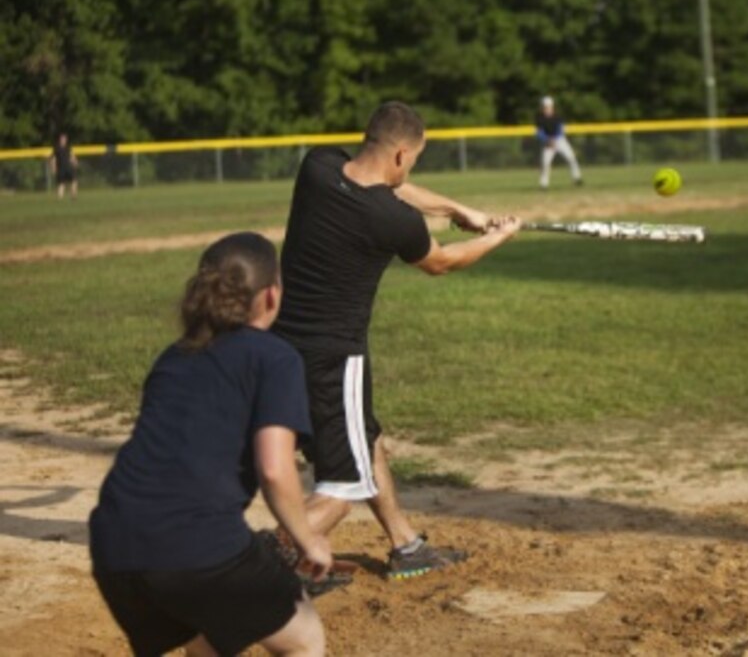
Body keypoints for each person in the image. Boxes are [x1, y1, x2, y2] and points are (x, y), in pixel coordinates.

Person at [272, 101, 521, 581]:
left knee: (366, 439)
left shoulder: (317, 167)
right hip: (334, 359)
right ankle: (267, 557)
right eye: (415, 159)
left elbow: (392, 188)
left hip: (283, 346)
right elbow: (441, 261)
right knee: (344, 486)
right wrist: (499, 236)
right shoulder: (392, 220)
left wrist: (456, 209)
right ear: (403, 155)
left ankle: (405, 545)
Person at [89, 232, 330, 656]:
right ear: (272, 296)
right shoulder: (274, 357)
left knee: (206, 641)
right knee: (304, 638)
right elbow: (275, 468)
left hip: (114, 541)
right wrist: (308, 538)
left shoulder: (175, 355)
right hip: (196, 544)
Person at [535, 95, 583, 189]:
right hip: (548, 143)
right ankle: (543, 184)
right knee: (545, 163)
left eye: (548, 107)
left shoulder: (557, 116)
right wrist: (547, 140)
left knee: (571, 158)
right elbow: (539, 133)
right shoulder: (539, 118)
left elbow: (560, 130)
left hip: (560, 141)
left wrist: (555, 139)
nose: (547, 109)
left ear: (552, 107)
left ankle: (577, 178)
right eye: (545, 107)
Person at [49, 131, 78, 200]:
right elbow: (53, 159)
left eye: (64, 139)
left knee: (74, 181)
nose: (63, 140)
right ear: (60, 140)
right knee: (61, 184)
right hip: (61, 168)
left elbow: (71, 156)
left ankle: (73, 196)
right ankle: (60, 198)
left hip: (68, 167)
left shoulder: (68, 147)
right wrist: (53, 168)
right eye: (62, 139)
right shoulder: (56, 148)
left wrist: (75, 161)